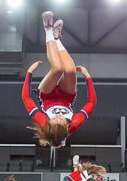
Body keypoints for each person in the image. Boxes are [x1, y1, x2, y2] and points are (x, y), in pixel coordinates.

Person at [22, 11, 96, 148]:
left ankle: (48, 28)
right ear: (66, 128)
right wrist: (88, 77)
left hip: (47, 95)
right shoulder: (74, 124)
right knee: (69, 70)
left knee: (57, 69)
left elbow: (26, 99)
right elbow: (91, 103)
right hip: (67, 96)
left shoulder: (44, 122)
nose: (56, 117)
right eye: (60, 120)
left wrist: (29, 73)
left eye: (53, 119)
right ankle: (57, 39)